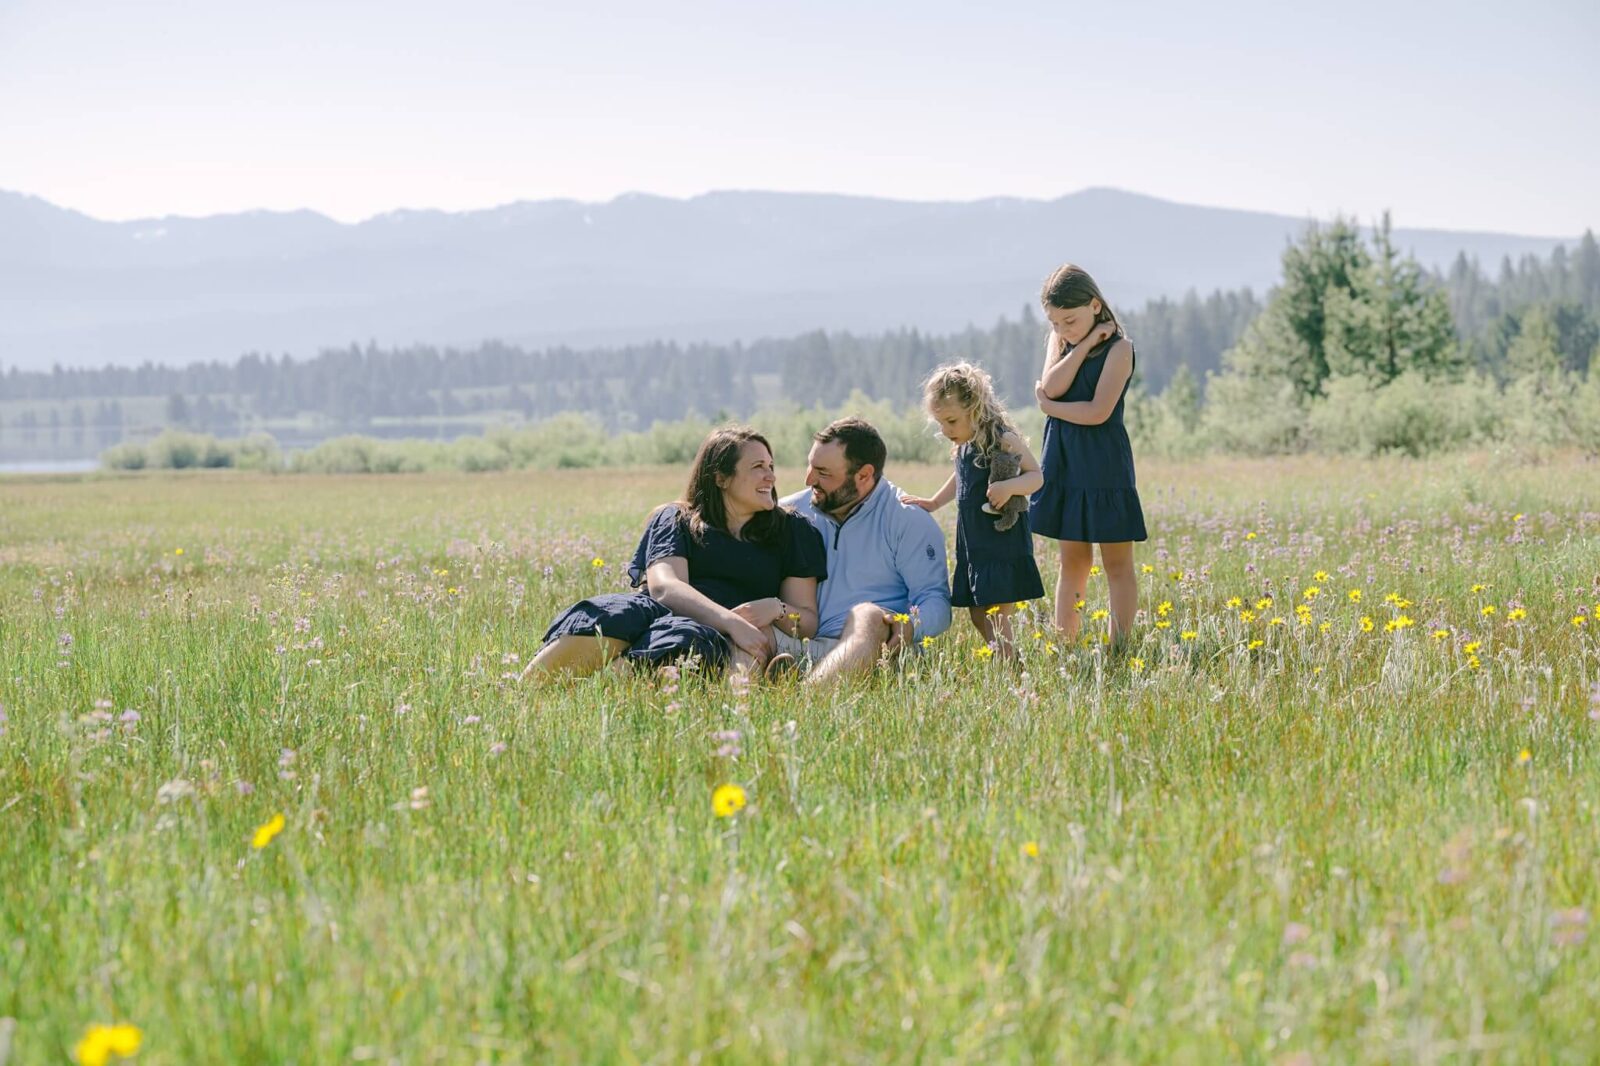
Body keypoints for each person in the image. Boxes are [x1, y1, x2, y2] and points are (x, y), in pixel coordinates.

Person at [523, 427, 826, 679]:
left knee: (687, 638)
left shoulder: (792, 530)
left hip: (710, 635)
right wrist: (729, 621)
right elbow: (665, 588)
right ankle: (522, 691)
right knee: (618, 613)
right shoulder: (676, 518)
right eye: (758, 467)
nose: (770, 477)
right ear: (720, 477)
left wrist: (777, 609)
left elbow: (807, 621)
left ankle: (606, 695)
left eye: (771, 467)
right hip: (669, 612)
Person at [776, 418, 952, 684]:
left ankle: (807, 700)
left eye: (823, 473)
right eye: (810, 466)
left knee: (868, 616)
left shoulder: (907, 520)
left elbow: (936, 603)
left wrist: (906, 625)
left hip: (875, 651)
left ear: (864, 475)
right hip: (801, 643)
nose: (809, 479)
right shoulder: (787, 513)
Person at [1029, 263, 1148, 644]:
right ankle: (1066, 644)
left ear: (1095, 305)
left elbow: (1098, 412)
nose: (1063, 329)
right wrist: (1081, 344)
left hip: (1103, 464)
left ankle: (1120, 645)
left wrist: (1051, 409)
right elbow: (1052, 383)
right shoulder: (1062, 343)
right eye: (1056, 323)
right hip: (1063, 460)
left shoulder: (1120, 350)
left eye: (1071, 320)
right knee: (1073, 560)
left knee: (1116, 562)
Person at [902, 363, 1044, 660]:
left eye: (951, 421)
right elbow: (959, 478)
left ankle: (1011, 670)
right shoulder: (965, 446)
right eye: (941, 423)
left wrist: (1010, 487)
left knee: (996, 615)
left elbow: (1036, 476)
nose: (946, 430)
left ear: (975, 407)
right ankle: (1008, 662)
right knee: (978, 615)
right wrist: (933, 502)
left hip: (1000, 540)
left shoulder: (1002, 439)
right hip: (974, 543)